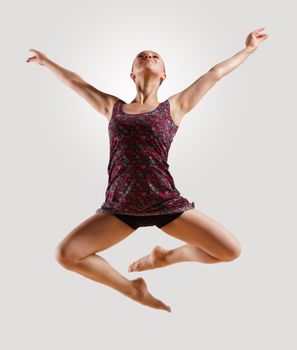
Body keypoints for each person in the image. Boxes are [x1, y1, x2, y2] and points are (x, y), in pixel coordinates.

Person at [26, 27, 269, 313]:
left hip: (164, 202)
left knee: (230, 251)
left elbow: (214, 73)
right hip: (121, 206)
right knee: (66, 255)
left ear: (163, 75)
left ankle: (167, 257)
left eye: (155, 56)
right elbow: (77, 83)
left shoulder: (174, 107)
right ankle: (132, 289)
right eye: (142, 56)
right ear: (132, 73)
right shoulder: (112, 108)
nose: (148, 57)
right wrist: (47, 62)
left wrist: (249, 49)